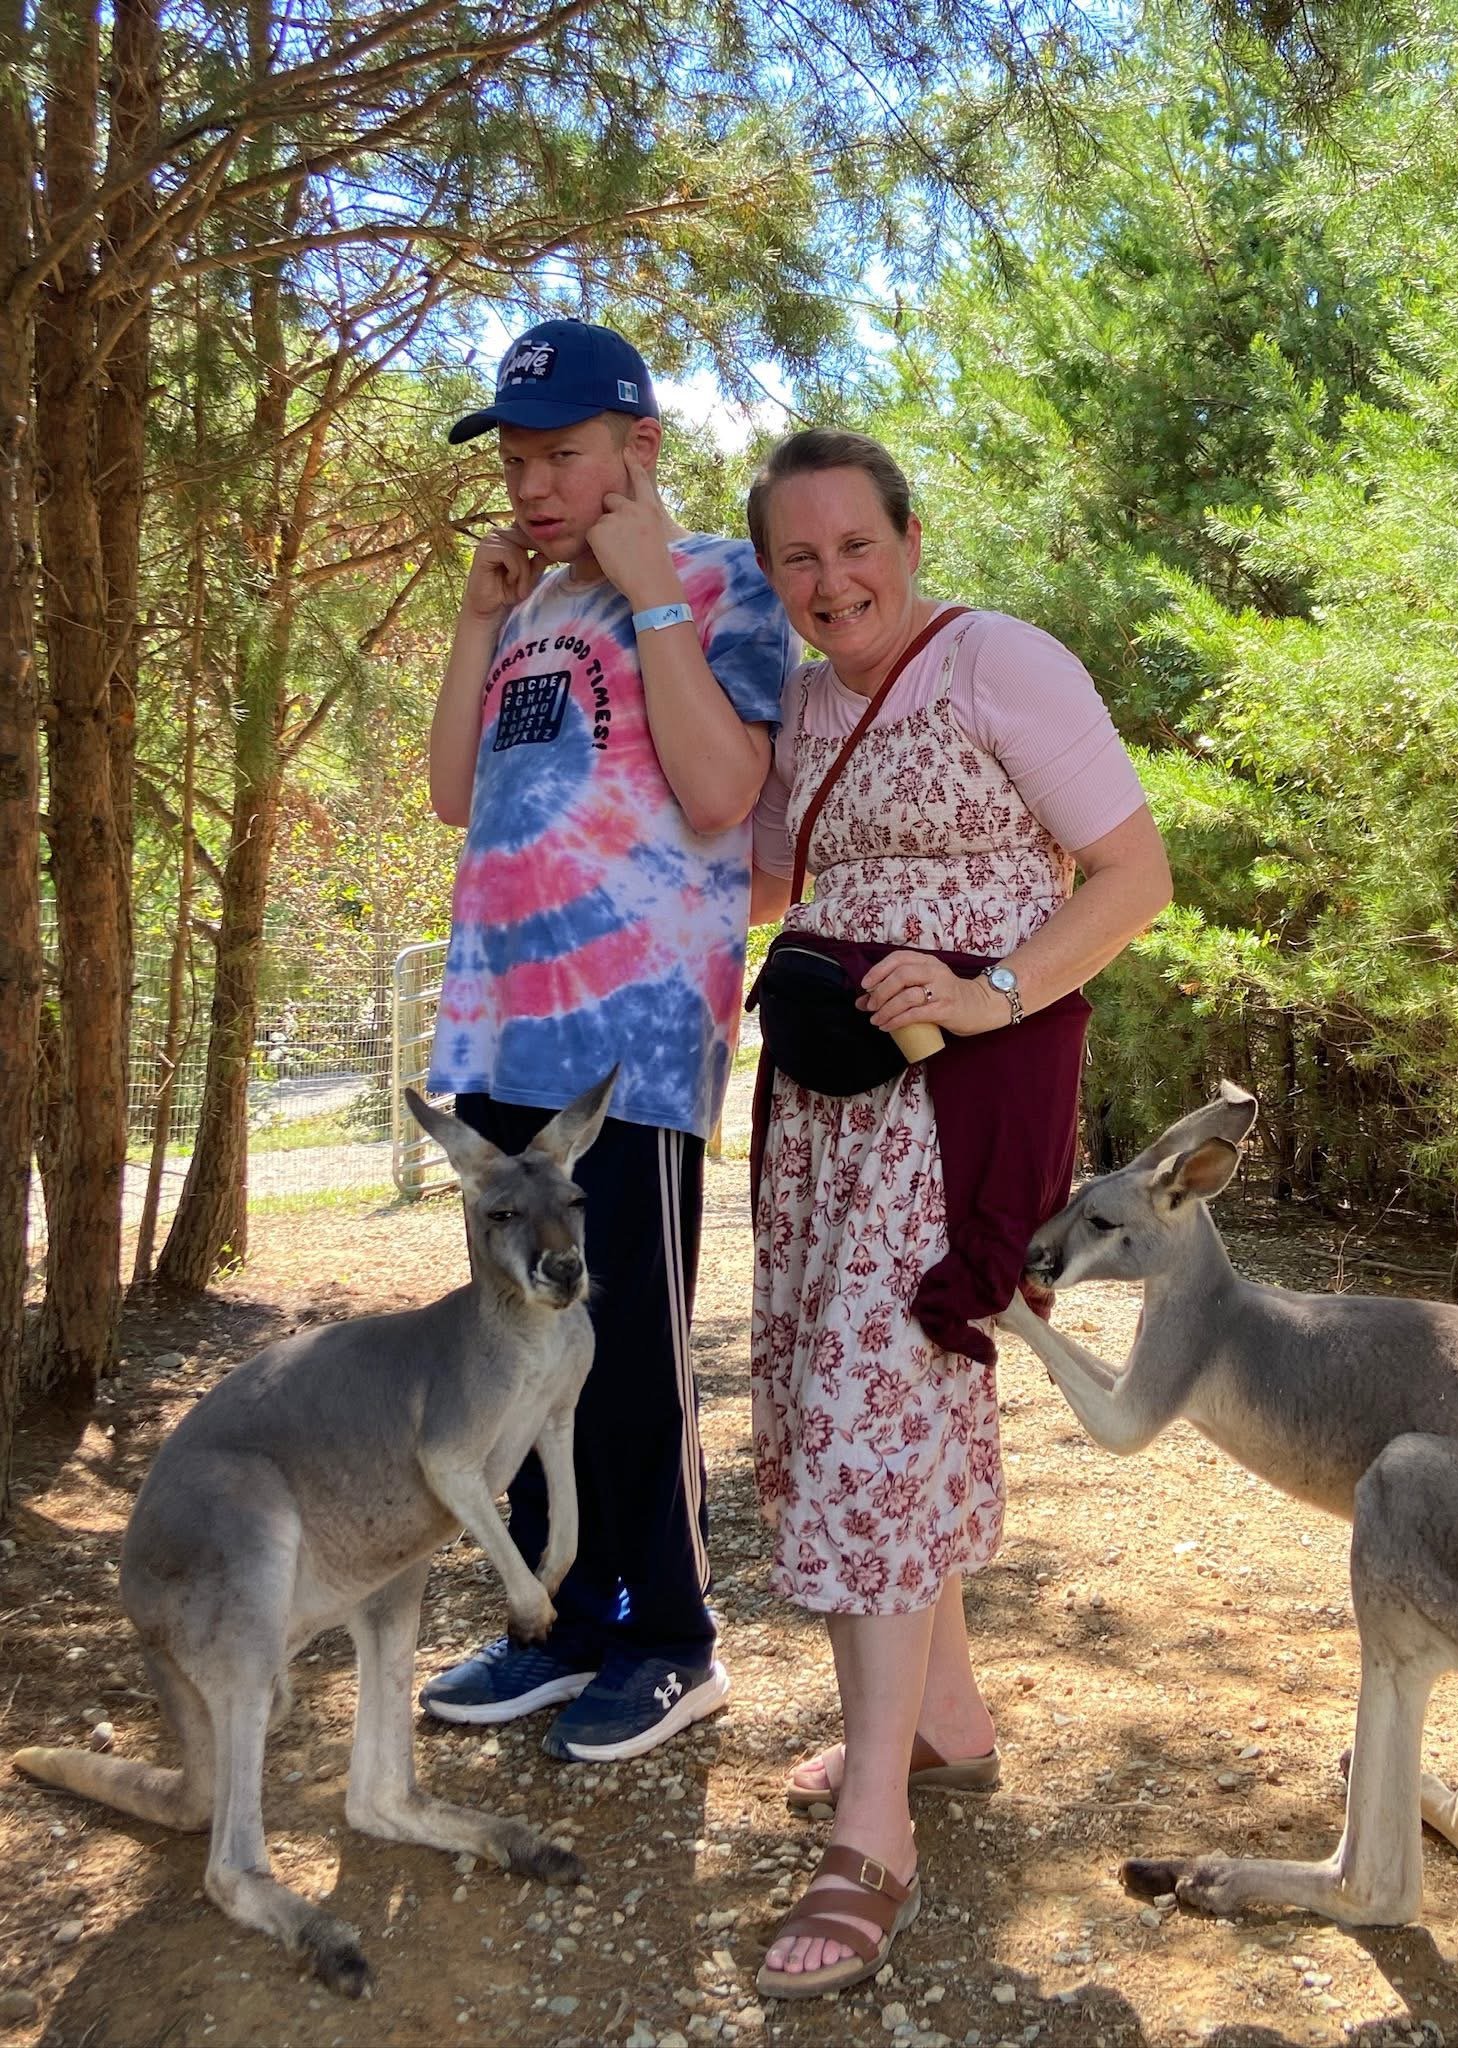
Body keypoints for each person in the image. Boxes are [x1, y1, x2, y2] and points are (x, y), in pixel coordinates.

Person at [744, 428, 1172, 1996]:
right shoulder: (802, 706)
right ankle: (944, 1717)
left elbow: (1132, 877)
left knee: (877, 1417)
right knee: (863, 1406)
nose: (831, 580)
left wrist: (993, 991)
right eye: (798, 557)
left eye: (855, 544)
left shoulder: (1001, 663)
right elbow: (770, 879)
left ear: (909, 539)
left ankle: (875, 1836)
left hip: (950, 1110)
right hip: (822, 1128)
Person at [419, 318, 795, 1762]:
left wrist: (649, 596)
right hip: (496, 1038)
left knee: (626, 1351)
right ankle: (564, 1626)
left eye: (561, 453)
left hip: (625, 1049)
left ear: (639, 448)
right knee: (519, 1351)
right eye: (515, 457)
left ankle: (671, 1639)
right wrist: (473, 622)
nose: (530, 483)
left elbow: (719, 794)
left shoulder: (720, 583)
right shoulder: (521, 609)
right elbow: (457, 796)